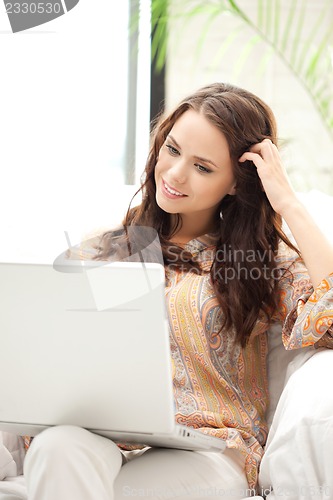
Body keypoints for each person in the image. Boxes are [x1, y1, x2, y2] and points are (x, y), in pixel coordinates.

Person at [22, 82, 333, 499]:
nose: (174, 174)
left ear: (237, 183)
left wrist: (288, 202)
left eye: (202, 167)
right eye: (172, 150)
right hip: (108, 434)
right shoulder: (105, 247)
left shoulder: (261, 263)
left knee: (119, 491)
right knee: (55, 448)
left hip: (211, 449)